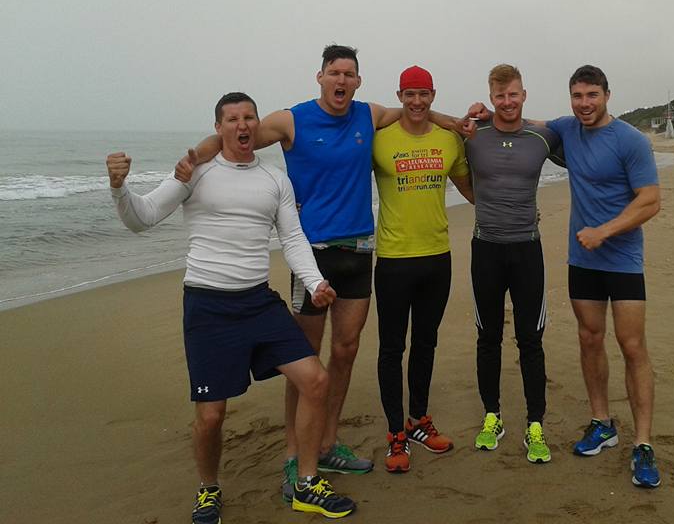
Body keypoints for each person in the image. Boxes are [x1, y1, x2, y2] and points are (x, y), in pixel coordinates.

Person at [107, 92, 355, 522]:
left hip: (258, 301)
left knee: (315, 381)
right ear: (218, 127)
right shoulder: (196, 171)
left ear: (257, 125)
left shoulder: (275, 179)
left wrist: (316, 282)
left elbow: (292, 238)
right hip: (208, 305)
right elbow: (141, 218)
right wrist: (118, 187)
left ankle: (306, 482)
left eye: (249, 118)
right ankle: (208, 490)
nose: (242, 125)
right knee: (211, 415)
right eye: (233, 119)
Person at [175, 45, 400, 497]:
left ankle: (329, 442)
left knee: (346, 350)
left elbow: (414, 110)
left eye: (349, 74)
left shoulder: (369, 114)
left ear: (358, 81)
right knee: (306, 359)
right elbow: (235, 137)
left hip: (360, 249)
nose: (341, 80)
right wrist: (193, 158)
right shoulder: (291, 120)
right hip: (312, 253)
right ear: (320, 76)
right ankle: (295, 455)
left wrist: (459, 121)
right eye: (334, 72)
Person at [468, 64, 662, 489]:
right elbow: (522, 124)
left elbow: (650, 200)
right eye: (578, 96)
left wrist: (605, 231)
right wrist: (484, 113)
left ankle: (643, 443)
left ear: (607, 95)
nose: (585, 104)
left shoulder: (630, 139)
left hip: (623, 259)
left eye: (592, 95)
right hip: (583, 260)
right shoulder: (566, 130)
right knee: (589, 339)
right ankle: (602, 423)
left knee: (632, 346)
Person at [372, 65, 473, 473]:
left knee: (426, 342)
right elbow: (341, 174)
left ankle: (418, 420)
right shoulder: (380, 139)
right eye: (410, 94)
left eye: (423, 94)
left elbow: (471, 190)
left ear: (433, 96)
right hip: (393, 258)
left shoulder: (449, 140)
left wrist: (513, 205)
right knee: (391, 347)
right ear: (399, 96)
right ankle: (395, 432)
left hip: (436, 256)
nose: (417, 102)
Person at [465, 64, 559, 464]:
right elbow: (438, 141)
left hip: (527, 251)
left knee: (530, 339)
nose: (507, 102)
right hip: (486, 249)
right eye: (500, 96)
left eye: (513, 95)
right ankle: (493, 416)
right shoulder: (473, 135)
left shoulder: (542, 137)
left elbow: (584, 149)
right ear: (491, 97)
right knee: (487, 337)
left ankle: (535, 423)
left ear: (524, 95)